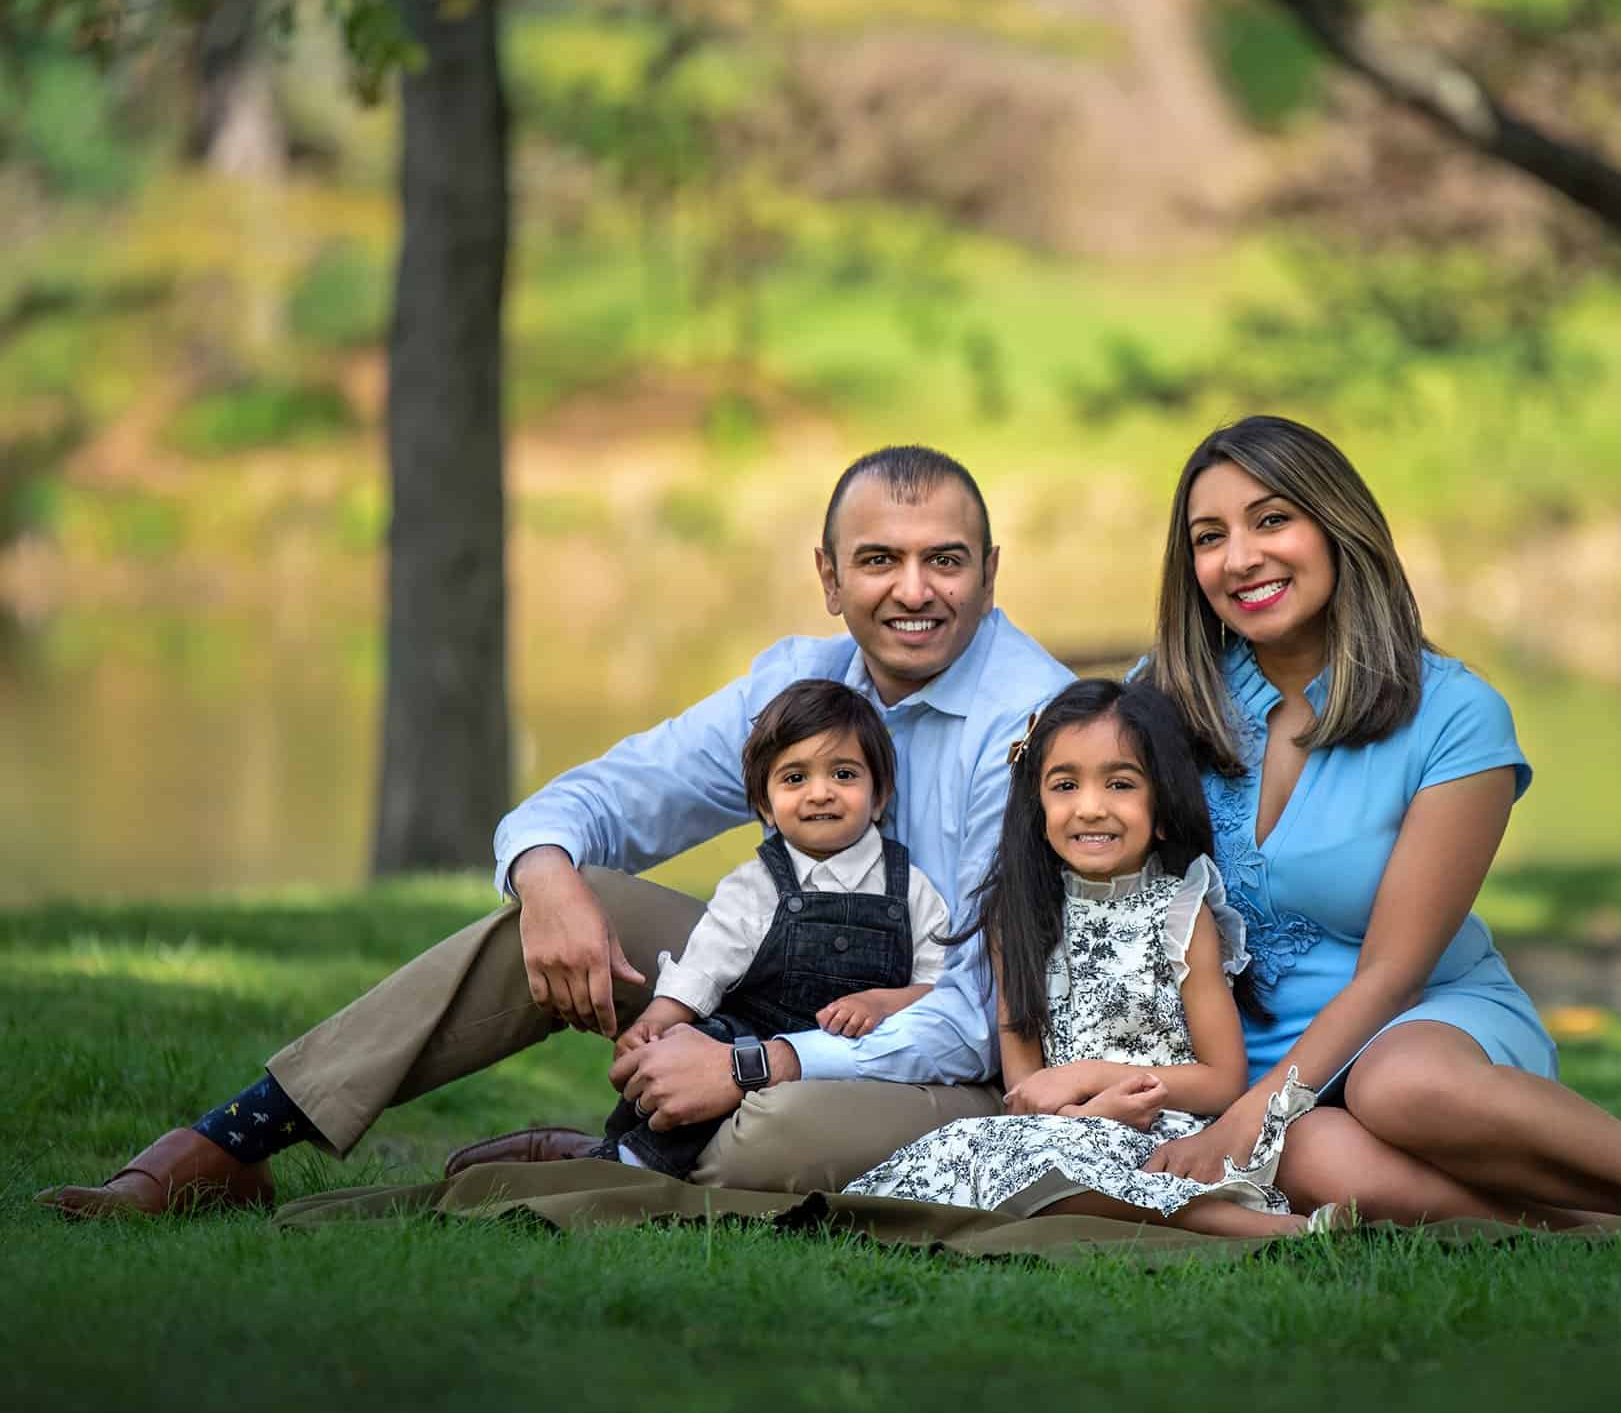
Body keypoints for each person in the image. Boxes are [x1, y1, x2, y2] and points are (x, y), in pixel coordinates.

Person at [38, 446, 1075, 1220]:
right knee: (578, 899)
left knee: (772, 1135)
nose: (914, 590)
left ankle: (591, 1160)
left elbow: (981, 1016)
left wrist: (751, 1064)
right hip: (799, 997)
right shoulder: (796, 687)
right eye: (878, 560)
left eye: (945, 560)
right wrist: (544, 876)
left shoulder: (1032, 725)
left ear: (990, 570)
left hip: (963, 1068)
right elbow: (603, 799)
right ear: (827, 575)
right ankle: (235, 1142)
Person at [1133, 415, 1621, 1226]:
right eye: (1209, 537)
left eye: (1273, 519)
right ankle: (1581, 1225)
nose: (1240, 558)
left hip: (1422, 1028)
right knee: (1306, 1154)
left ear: (1338, 527)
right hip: (1250, 1066)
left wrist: (1246, 1120)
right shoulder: (1162, 700)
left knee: (1397, 1086)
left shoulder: (1454, 713)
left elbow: (1392, 974)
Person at [845, 679, 1328, 1239]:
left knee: (1055, 1181)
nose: (1091, 808)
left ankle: (1262, 1227)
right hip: (1064, 1130)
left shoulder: (1181, 910)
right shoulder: (1020, 918)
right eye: (1065, 785)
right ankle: (1218, 1221)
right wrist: (1083, 1113)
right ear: (1037, 803)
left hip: (1163, 1127)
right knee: (1000, 1159)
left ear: (1163, 806)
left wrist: (1096, 1078)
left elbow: (1224, 1079)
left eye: (1120, 784)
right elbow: (1026, 1086)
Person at [598, 677, 951, 1177]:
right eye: (794, 779)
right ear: (765, 805)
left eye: (844, 774)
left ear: (879, 796)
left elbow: (939, 987)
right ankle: (628, 1151)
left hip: (847, 1060)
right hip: (753, 1033)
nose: (820, 793)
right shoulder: (756, 884)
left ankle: (663, 1161)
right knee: (696, 1043)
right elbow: (707, 963)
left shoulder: (911, 889)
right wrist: (661, 1015)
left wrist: (882, 1002)